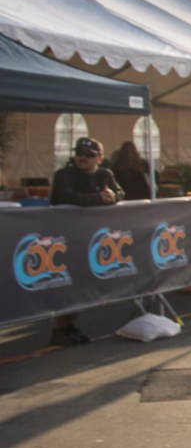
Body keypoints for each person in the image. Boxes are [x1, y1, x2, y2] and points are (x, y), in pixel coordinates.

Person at [47, 136, 125, 345]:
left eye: (89, 155)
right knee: (65, 285)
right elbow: (67, 197)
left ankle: (70, 325)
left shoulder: (105, 174)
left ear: (99, 158)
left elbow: (120, 193)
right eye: (79, 153)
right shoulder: (64, 174)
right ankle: (60, 327)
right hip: (65, 239)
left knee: (80, 286)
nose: (83, 158)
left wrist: (112, 196)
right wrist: (98, 199)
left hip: (92, 240)